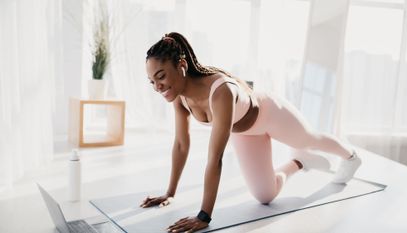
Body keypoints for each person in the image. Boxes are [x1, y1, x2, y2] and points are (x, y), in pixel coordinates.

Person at [140, 32, 362, 233]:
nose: (157, 87)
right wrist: (170, 192)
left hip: (270, 113)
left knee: (308, 139)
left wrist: (204, 215)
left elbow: (215, 158)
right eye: (152, 81)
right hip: (245, 132)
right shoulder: (179, 98)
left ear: (181, 65)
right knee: (265, 196)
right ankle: (299, 163)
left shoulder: (220, 92)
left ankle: (351, 157)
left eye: (161, 76)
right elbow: (181, 144)